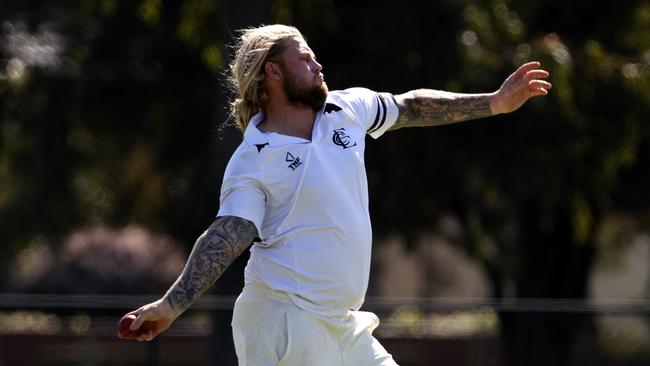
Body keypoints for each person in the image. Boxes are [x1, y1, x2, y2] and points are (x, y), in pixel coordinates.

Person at [118, 24, 552, 365]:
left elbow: (411, 106)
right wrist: (172, 304)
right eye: (304, 59)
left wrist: (494, 102)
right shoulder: (253, 158)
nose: (318, 65)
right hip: (284, 321)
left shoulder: (346, 109)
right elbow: (228, 235)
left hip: (342, 324)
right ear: (273, 72)